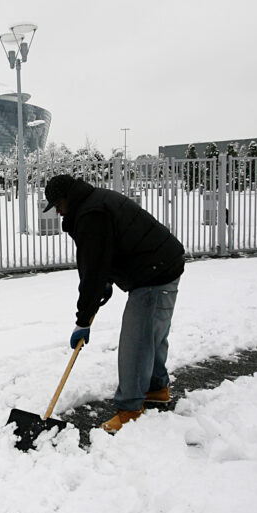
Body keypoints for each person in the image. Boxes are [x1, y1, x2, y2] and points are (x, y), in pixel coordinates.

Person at [43, 174, 185, 432]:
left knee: (137, 340)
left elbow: (92, 270)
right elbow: (109, 249)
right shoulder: (94, 202)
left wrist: (83, 320)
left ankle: (130, 408)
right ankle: (156, 388)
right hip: (163, 264)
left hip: (153, 272)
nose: (58, 211)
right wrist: (106, 280)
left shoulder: (90, 215)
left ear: (66, 198)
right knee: (151, 334)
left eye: (58, 205)